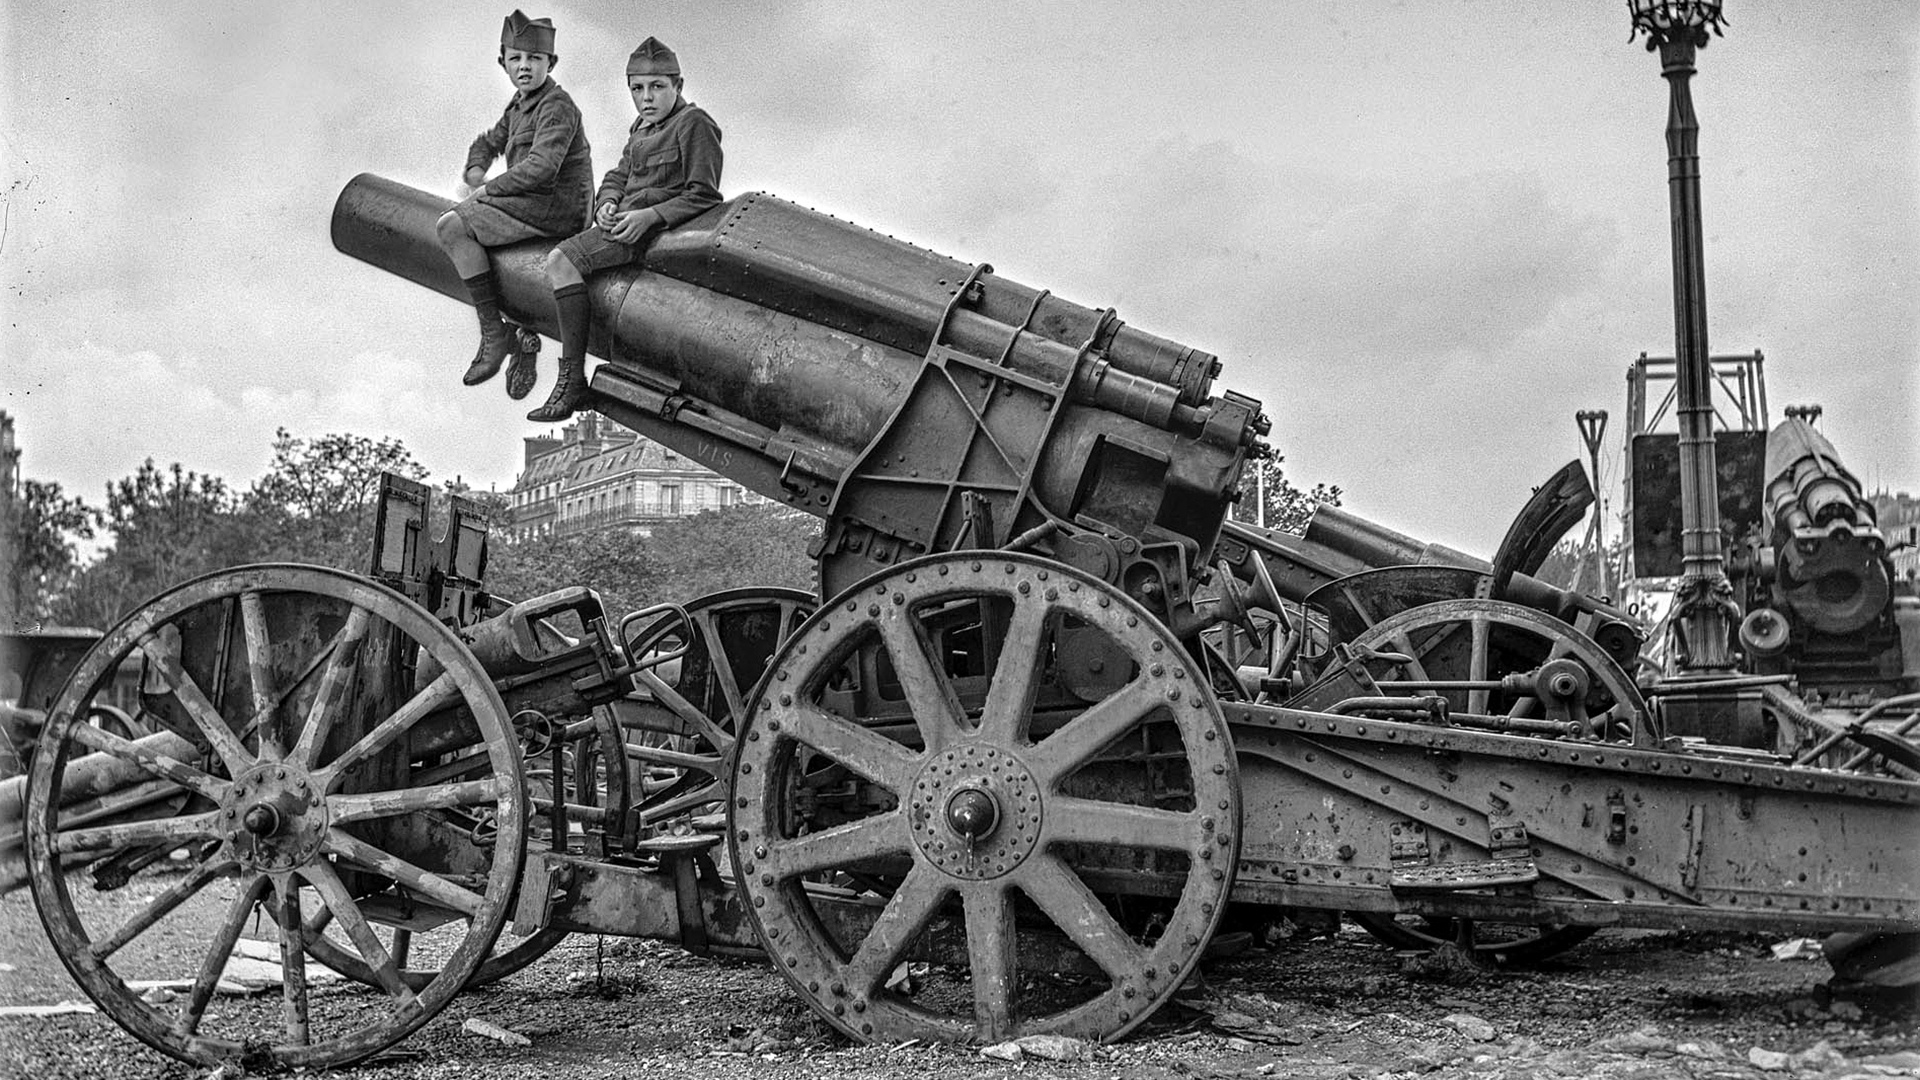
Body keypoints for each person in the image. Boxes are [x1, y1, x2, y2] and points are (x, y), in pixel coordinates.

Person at [527, 36, 722, 422]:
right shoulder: (642, 128)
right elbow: (620, 174)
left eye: (657, 87)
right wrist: (608, 204)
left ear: (678, 86)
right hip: (623, 222)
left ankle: (571, 381)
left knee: (561, 261)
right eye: (637, 88)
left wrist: (650, 217)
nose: (646, 97)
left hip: (651, 236)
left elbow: (704, 196)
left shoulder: (694, 124)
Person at [438, 10, 594, 400]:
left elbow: (542, 169)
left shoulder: (557, 106)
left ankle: (497, 334)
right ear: (503, 62)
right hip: (533, 202)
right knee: (479, 235)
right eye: (516, 58)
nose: (524, 67)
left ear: (550, 63)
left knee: (452, 227)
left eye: (534, 59)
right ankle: (521, 333)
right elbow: (490, 141)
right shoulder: (519, 105)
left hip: (557, 209)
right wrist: (476, 167)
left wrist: (487, 192)